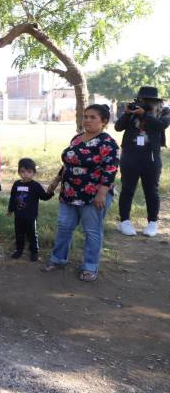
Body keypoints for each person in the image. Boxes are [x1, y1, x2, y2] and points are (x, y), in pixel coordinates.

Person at [41, 104, 120, 282]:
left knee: (92, 231)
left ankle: (90, 267)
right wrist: (56, 181)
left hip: (93, 196)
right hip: (69, 193)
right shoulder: (77, 139)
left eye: (93, 117)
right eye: (85, 116)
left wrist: (102, 193)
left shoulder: (107, 143)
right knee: (64, 227)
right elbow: (68, 163)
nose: (87, 120)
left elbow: (111, 169)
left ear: (104, 121)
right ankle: (58, 259)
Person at [114, 86, 170, 237]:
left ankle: (152, 222)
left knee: (151, 190)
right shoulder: (133, 112)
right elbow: (118, 127)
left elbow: (161, 126)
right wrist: (127, 114)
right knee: (127, 189)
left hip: (151, 157)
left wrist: (145, 114)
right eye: (142, 100)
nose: (145, 103)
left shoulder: (164, 112)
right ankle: (124, 221)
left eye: (148, 101)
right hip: (130, 156)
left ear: (156, 101)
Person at [7, 158, 56, 261]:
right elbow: (13, 198)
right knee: (19, 233)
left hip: (31, 216)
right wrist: (10, 209)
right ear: (19, 172)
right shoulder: (17, 184)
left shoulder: (35, 185)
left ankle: (34, 251)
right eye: (23, 171)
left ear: (34, 173)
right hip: (18, 215)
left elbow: (44, 197)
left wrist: (50, 192)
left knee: (32, 234)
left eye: (29, 172)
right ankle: (19, 250)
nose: (26, 174)